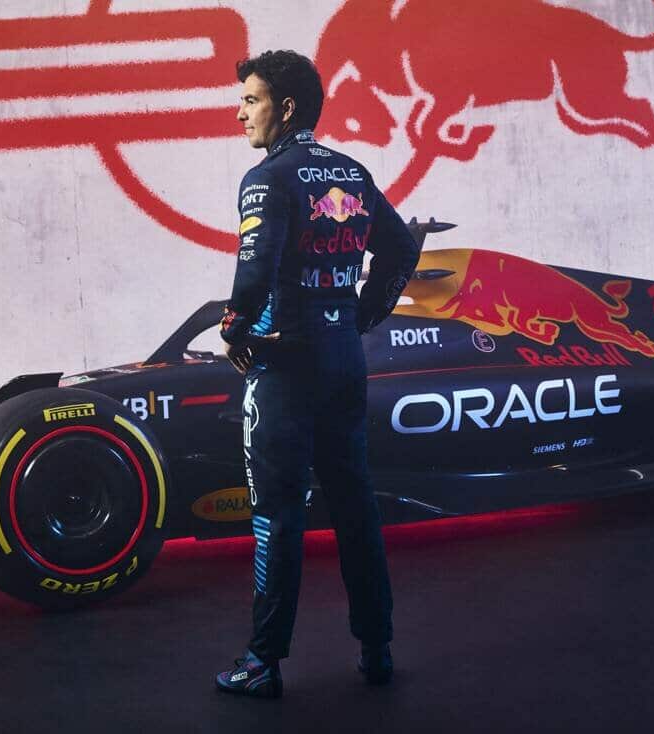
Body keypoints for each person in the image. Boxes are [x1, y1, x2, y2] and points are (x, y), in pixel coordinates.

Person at [215, 50, 421, 699]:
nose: (240, 112)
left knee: (277, 516)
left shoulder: (266, 178)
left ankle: (262, 662)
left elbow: (255, 271)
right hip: (342, 361)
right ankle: (377, 649)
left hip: (284, 368)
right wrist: (362, 316)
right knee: (355, 504)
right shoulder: (352, 172)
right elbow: (401, 248)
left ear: (286, 107)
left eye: (250, 100)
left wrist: (233, 329)